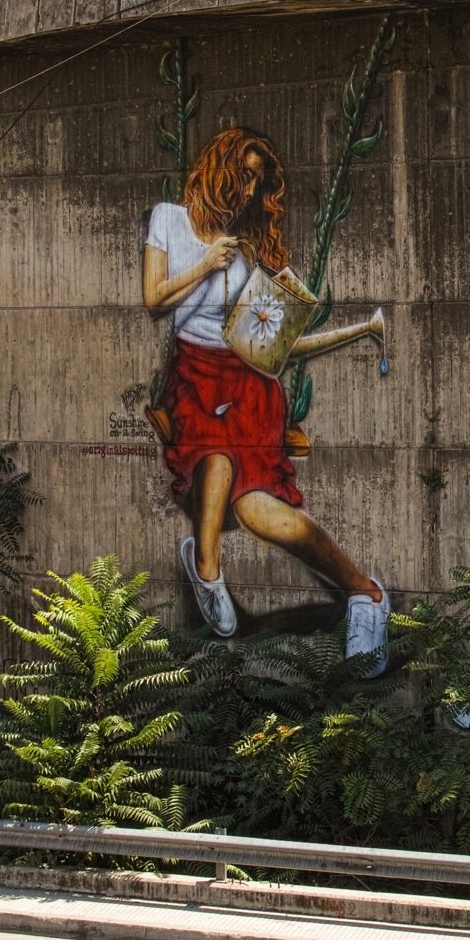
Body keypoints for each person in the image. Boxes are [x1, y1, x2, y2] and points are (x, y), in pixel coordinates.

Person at [143, 126, 389, 670]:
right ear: (219, 168)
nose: (251, 191)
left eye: (258, 181)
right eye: (245, 175)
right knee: (215, 457)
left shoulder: (250, 254)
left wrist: (348, 331)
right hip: (194, 377)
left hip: (249, 382)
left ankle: (365, 595)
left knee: (257, 512)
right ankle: (207, 565)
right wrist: (207, 263)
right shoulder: (168, 219)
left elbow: (269, 345)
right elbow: (154, 298)